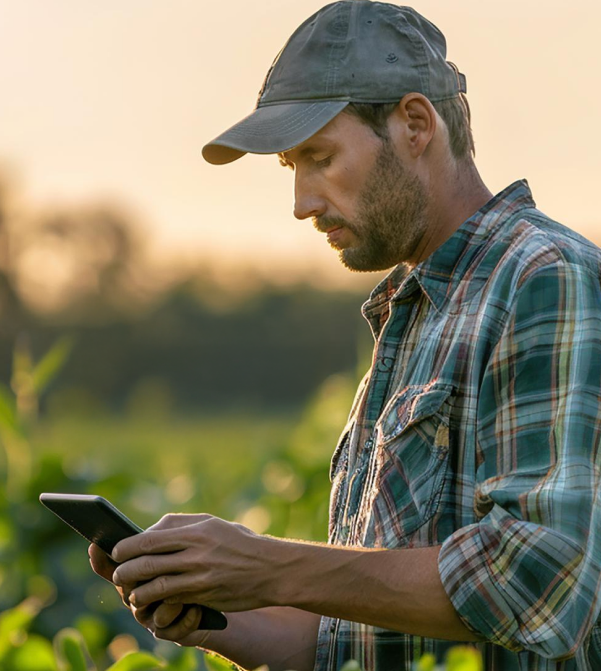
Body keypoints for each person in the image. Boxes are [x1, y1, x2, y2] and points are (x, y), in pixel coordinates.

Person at [89, 2, 601, 670]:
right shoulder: (412, 311)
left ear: (415, 124)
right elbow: (368, 641)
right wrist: (216, 612)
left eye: (320, 157)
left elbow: (537, 583)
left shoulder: (541, 276)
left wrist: (270, 564)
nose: (301, 200)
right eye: (291, 168)